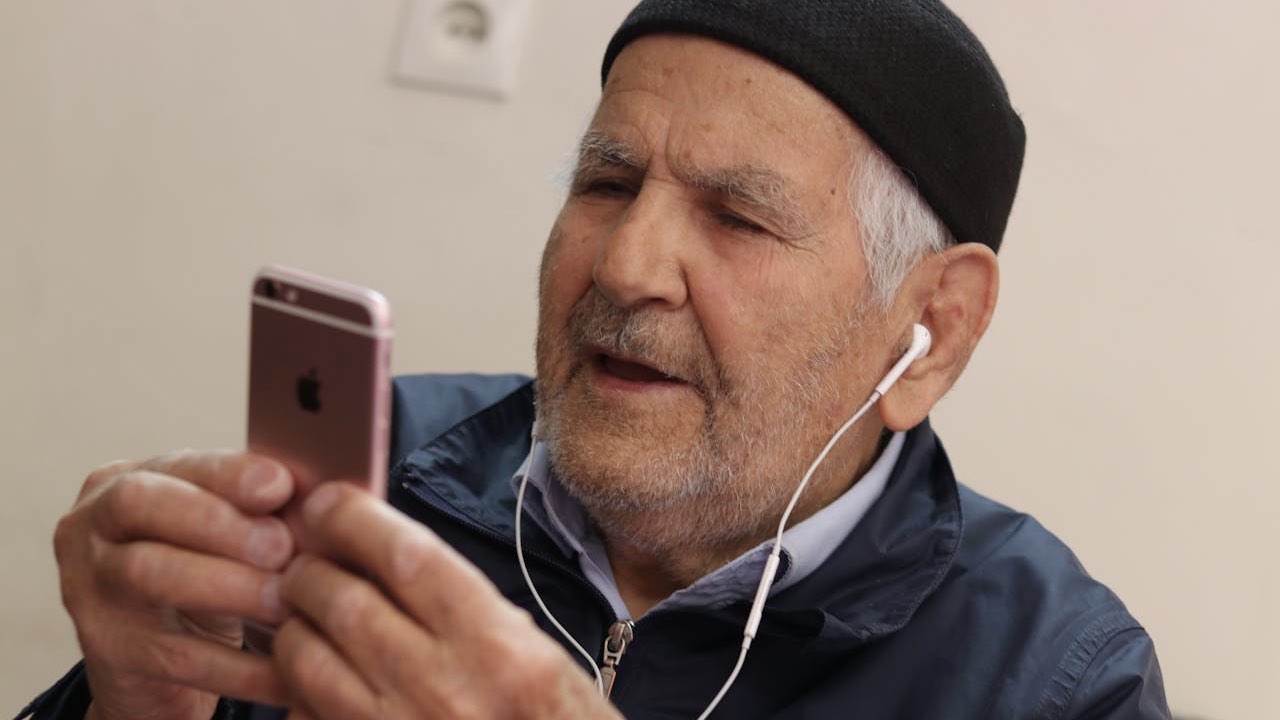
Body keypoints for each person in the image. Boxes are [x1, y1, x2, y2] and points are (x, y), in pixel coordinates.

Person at [20, 1, 1171, 718]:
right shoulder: (371, 474)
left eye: (736, 216)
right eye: (606, 184)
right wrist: (129, 704)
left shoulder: (1053, 678)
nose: (624, 266)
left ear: (932, 331)